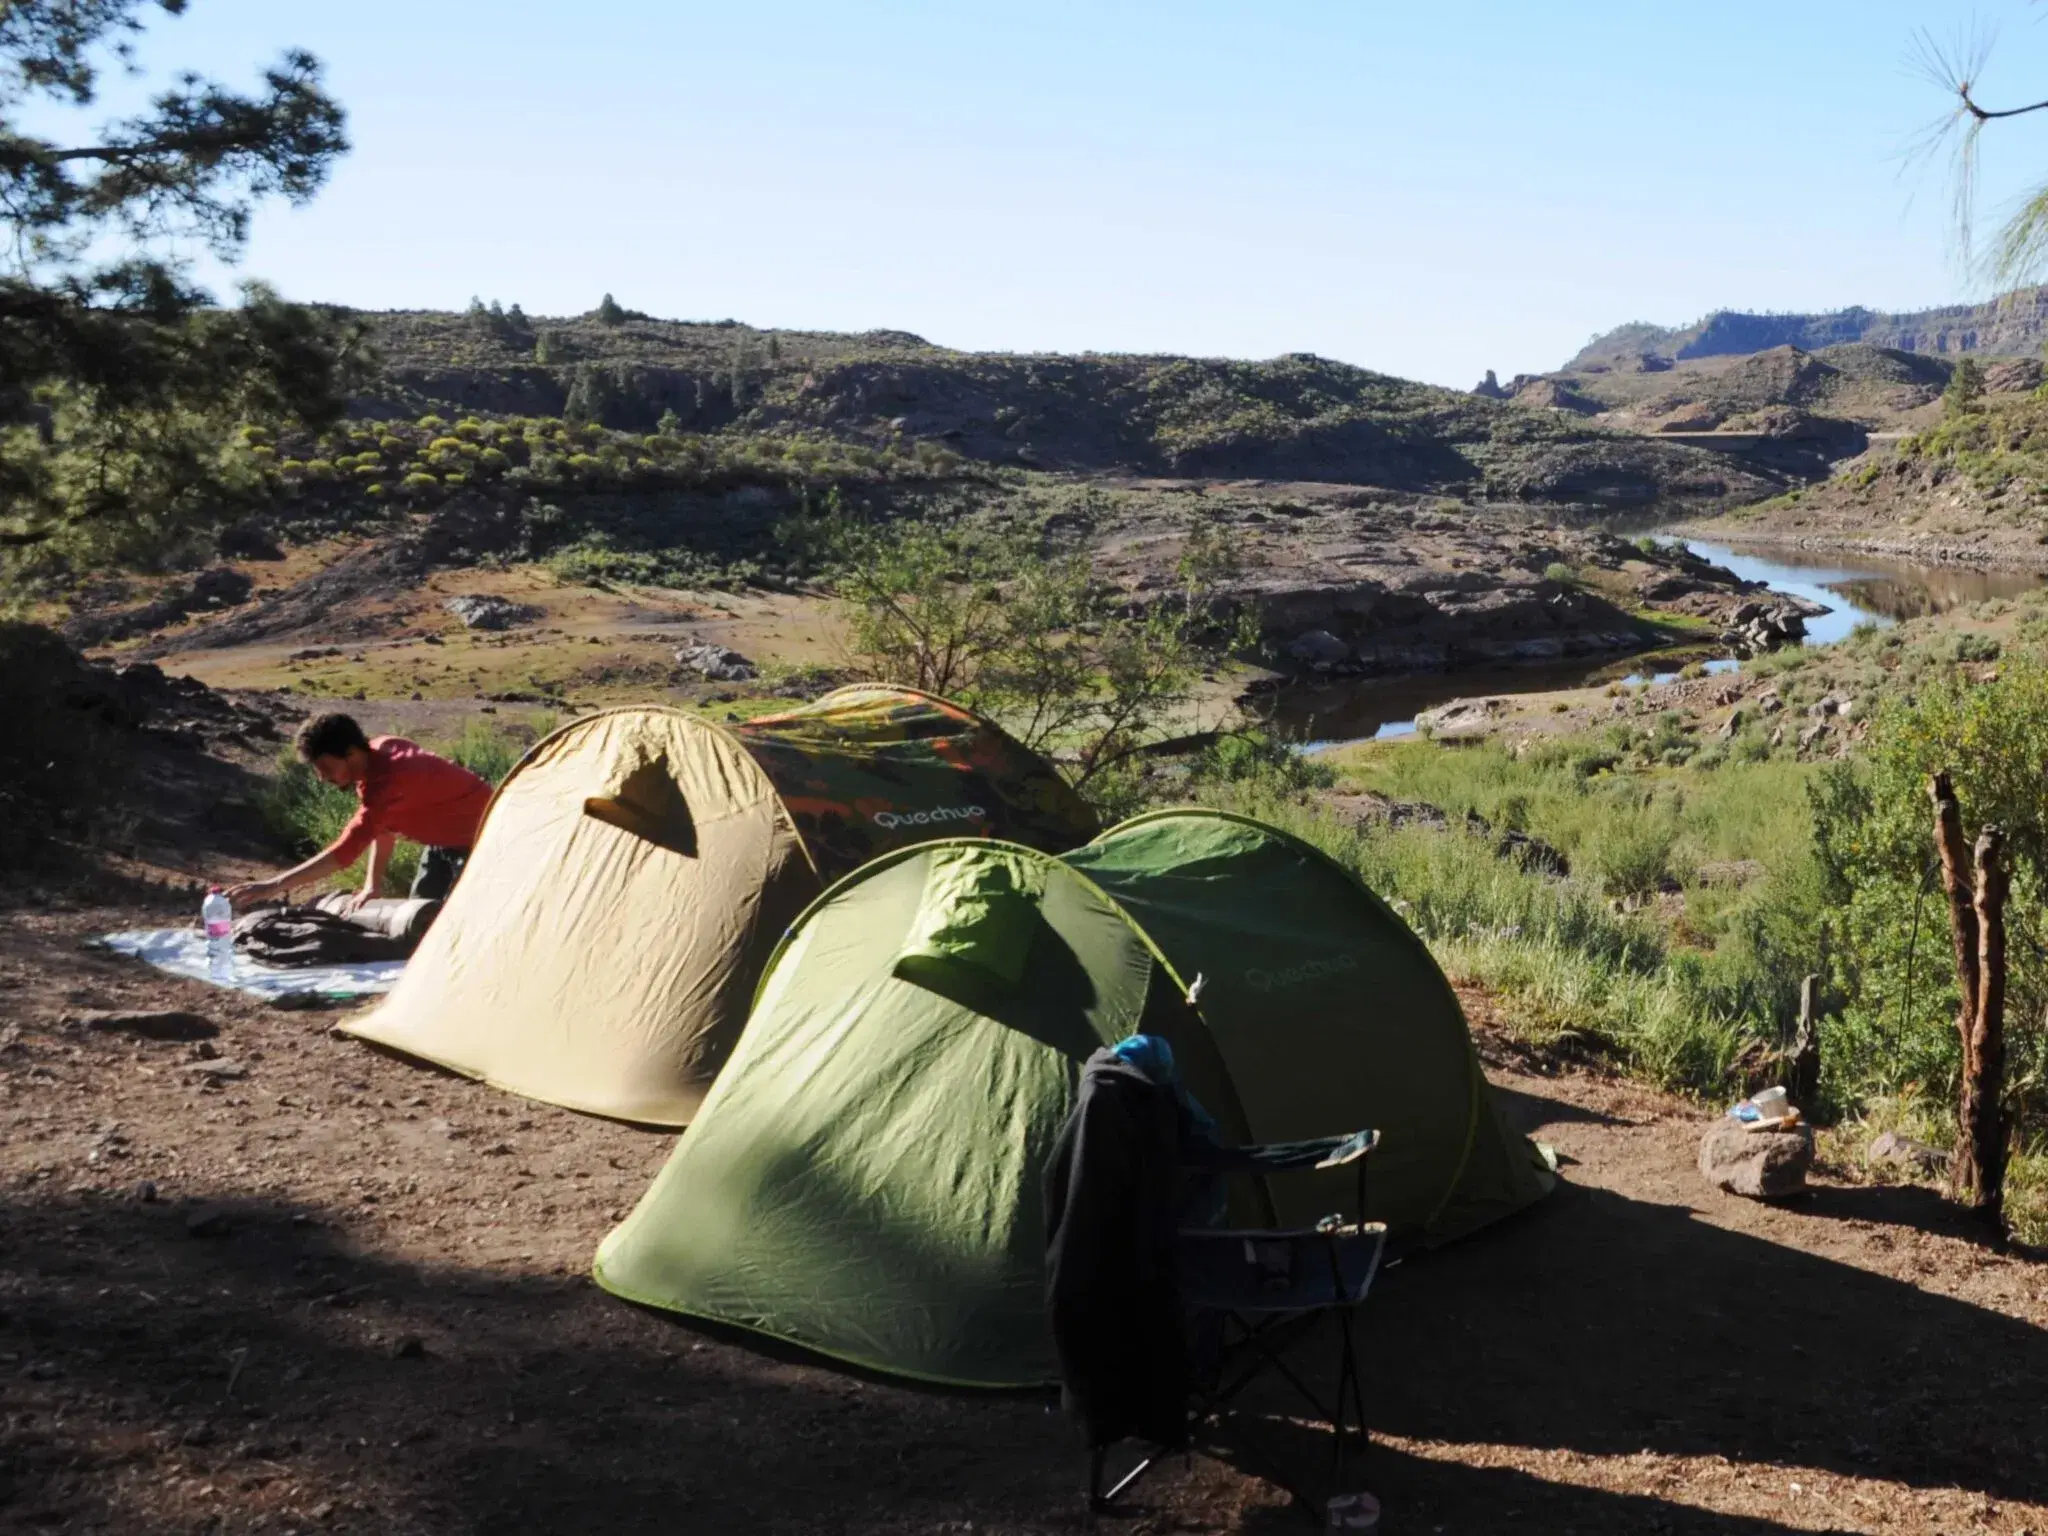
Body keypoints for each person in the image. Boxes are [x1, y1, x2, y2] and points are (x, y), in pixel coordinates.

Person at [226, 713, 493, 911]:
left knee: (455, 925)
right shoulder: (374, 762)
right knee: (420, 919)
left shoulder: (391, 778)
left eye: (325, 767)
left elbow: (344, 853)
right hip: (442, 844)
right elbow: (384, 828)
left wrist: (272, 886)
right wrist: (372, 885)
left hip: (484, 843)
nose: (322, 778)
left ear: (351, 753)